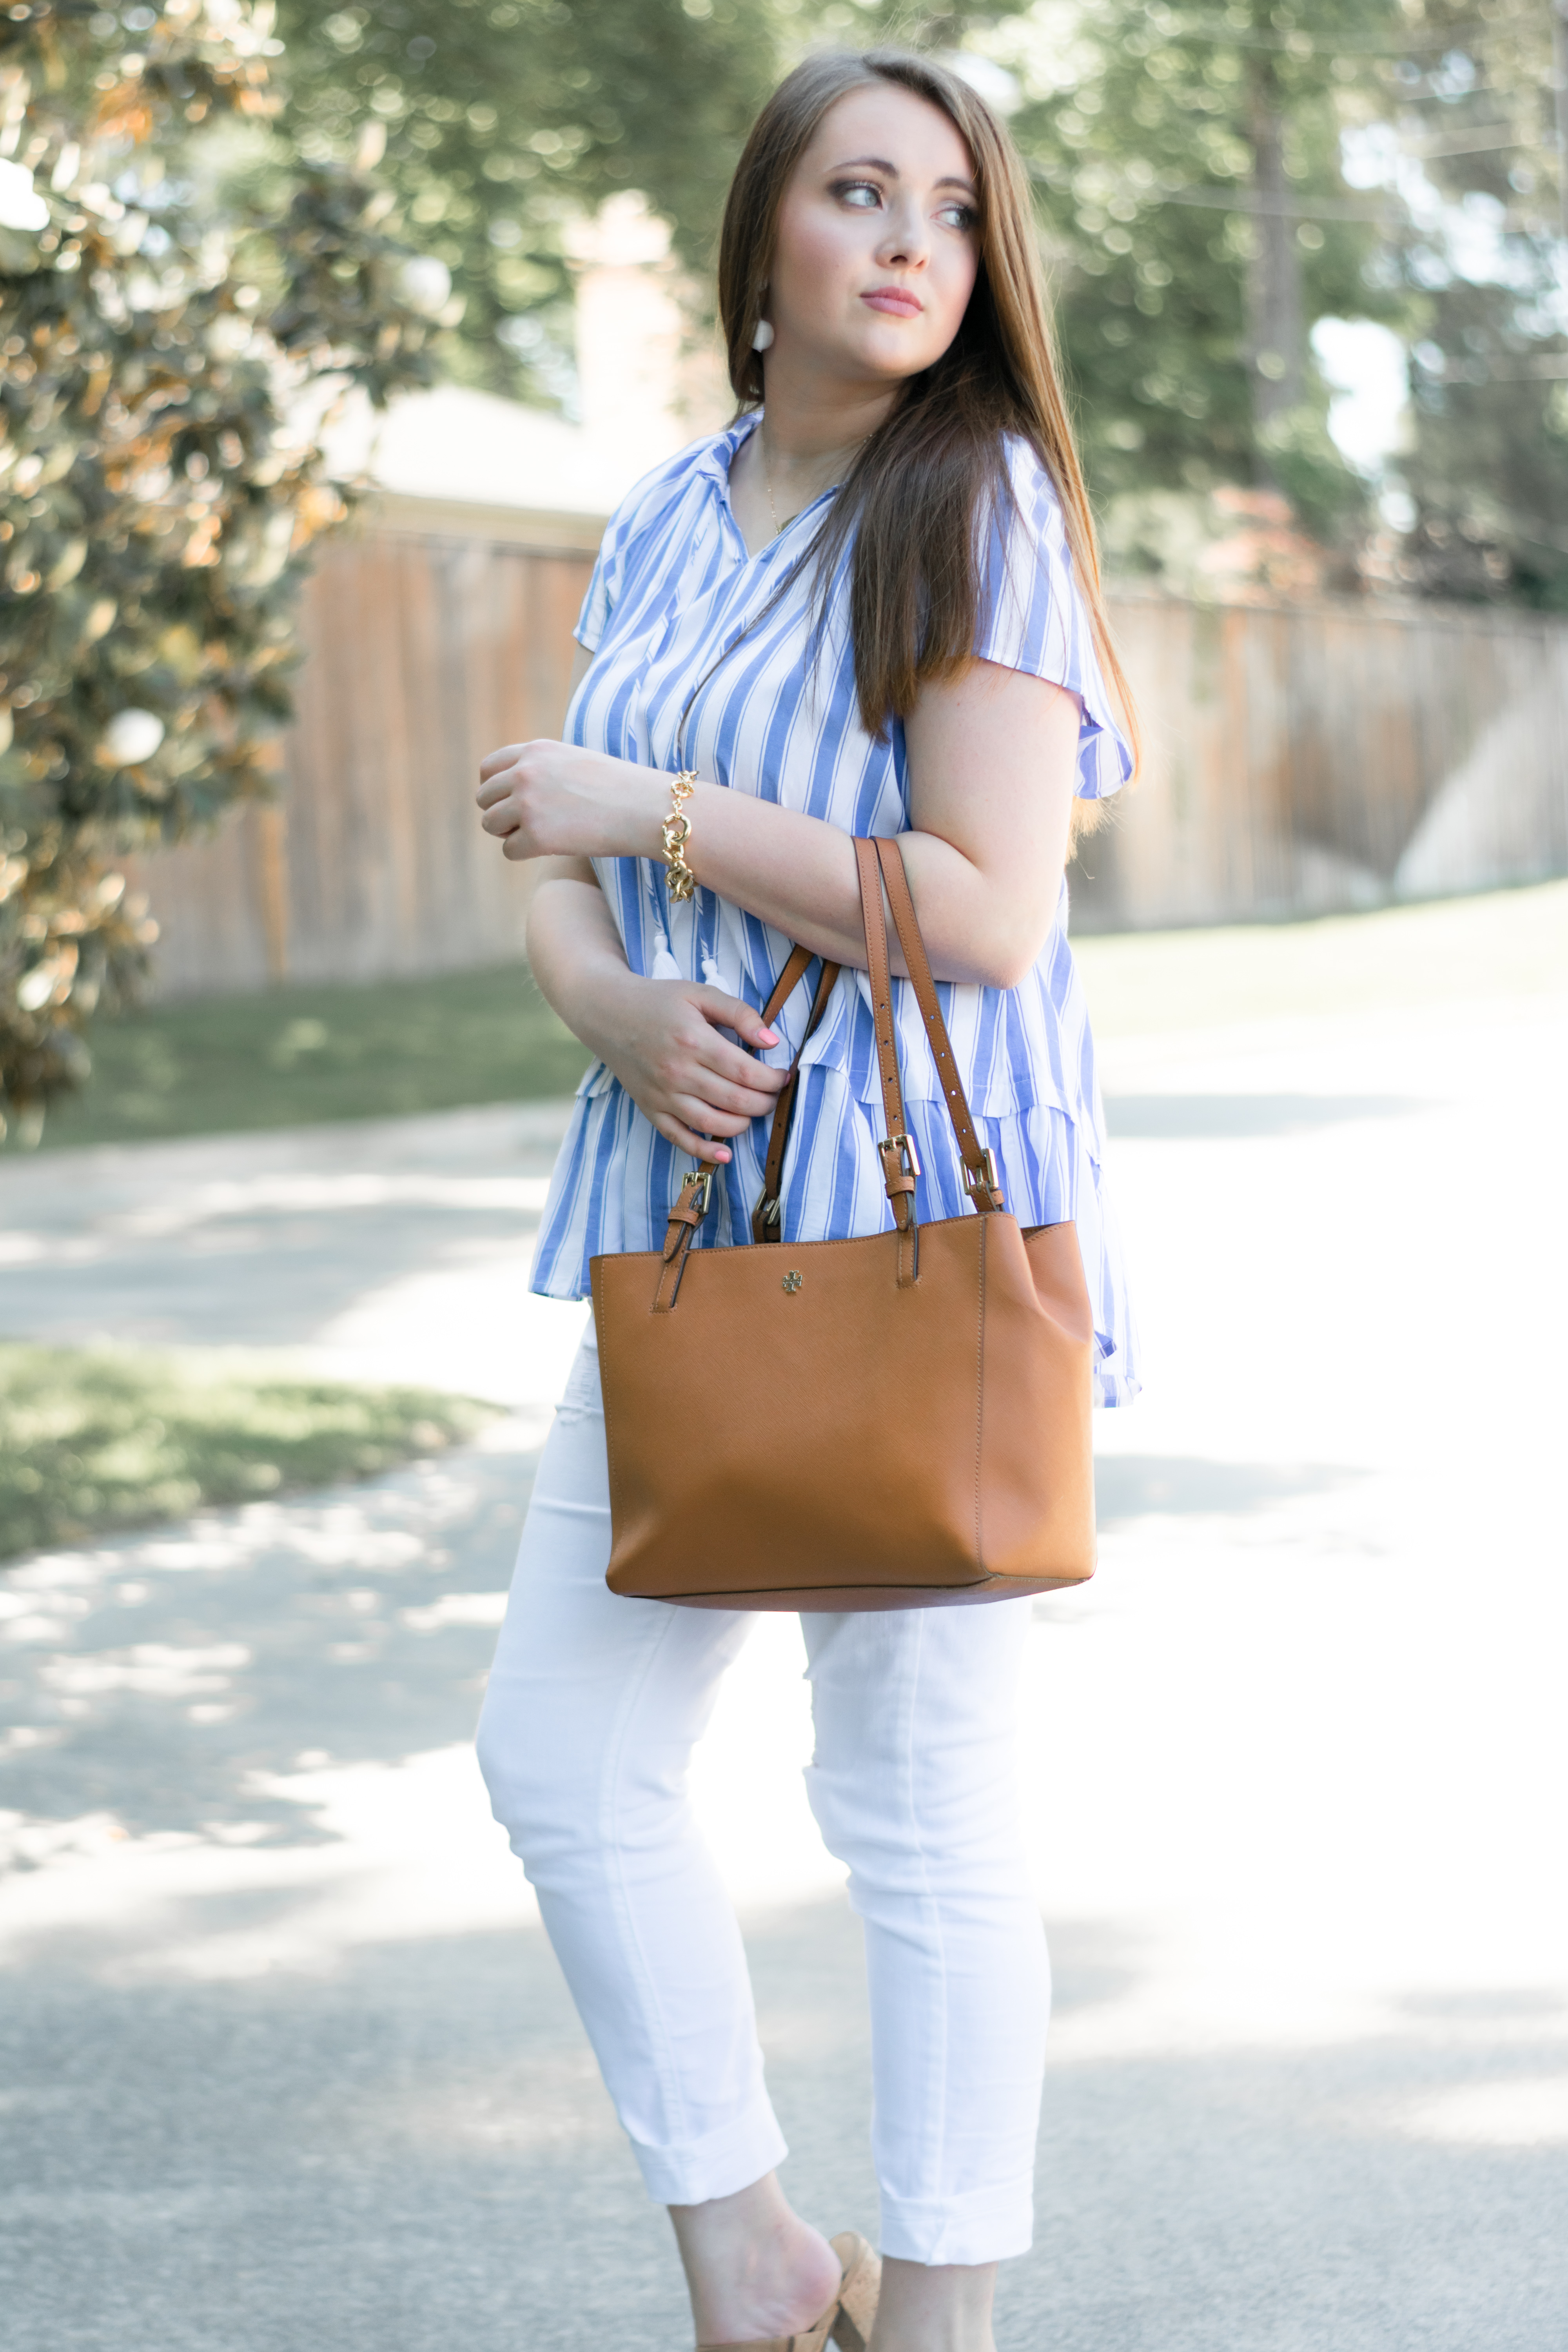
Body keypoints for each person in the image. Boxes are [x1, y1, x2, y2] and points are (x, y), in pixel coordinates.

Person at [473, 47, 1140, 2352]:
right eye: (860, 194)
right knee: (562, 1759)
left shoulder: (982, 510)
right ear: (764, 232)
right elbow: (555, 861)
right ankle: (754, 2261)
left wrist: (648, 811)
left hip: (915, 1204)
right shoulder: (666, 513)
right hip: (686, 1215)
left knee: (918, 1801)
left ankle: (937, 2321)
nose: (908, 247)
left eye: (951, 214)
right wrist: (616, 1016)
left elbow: (986, 913)